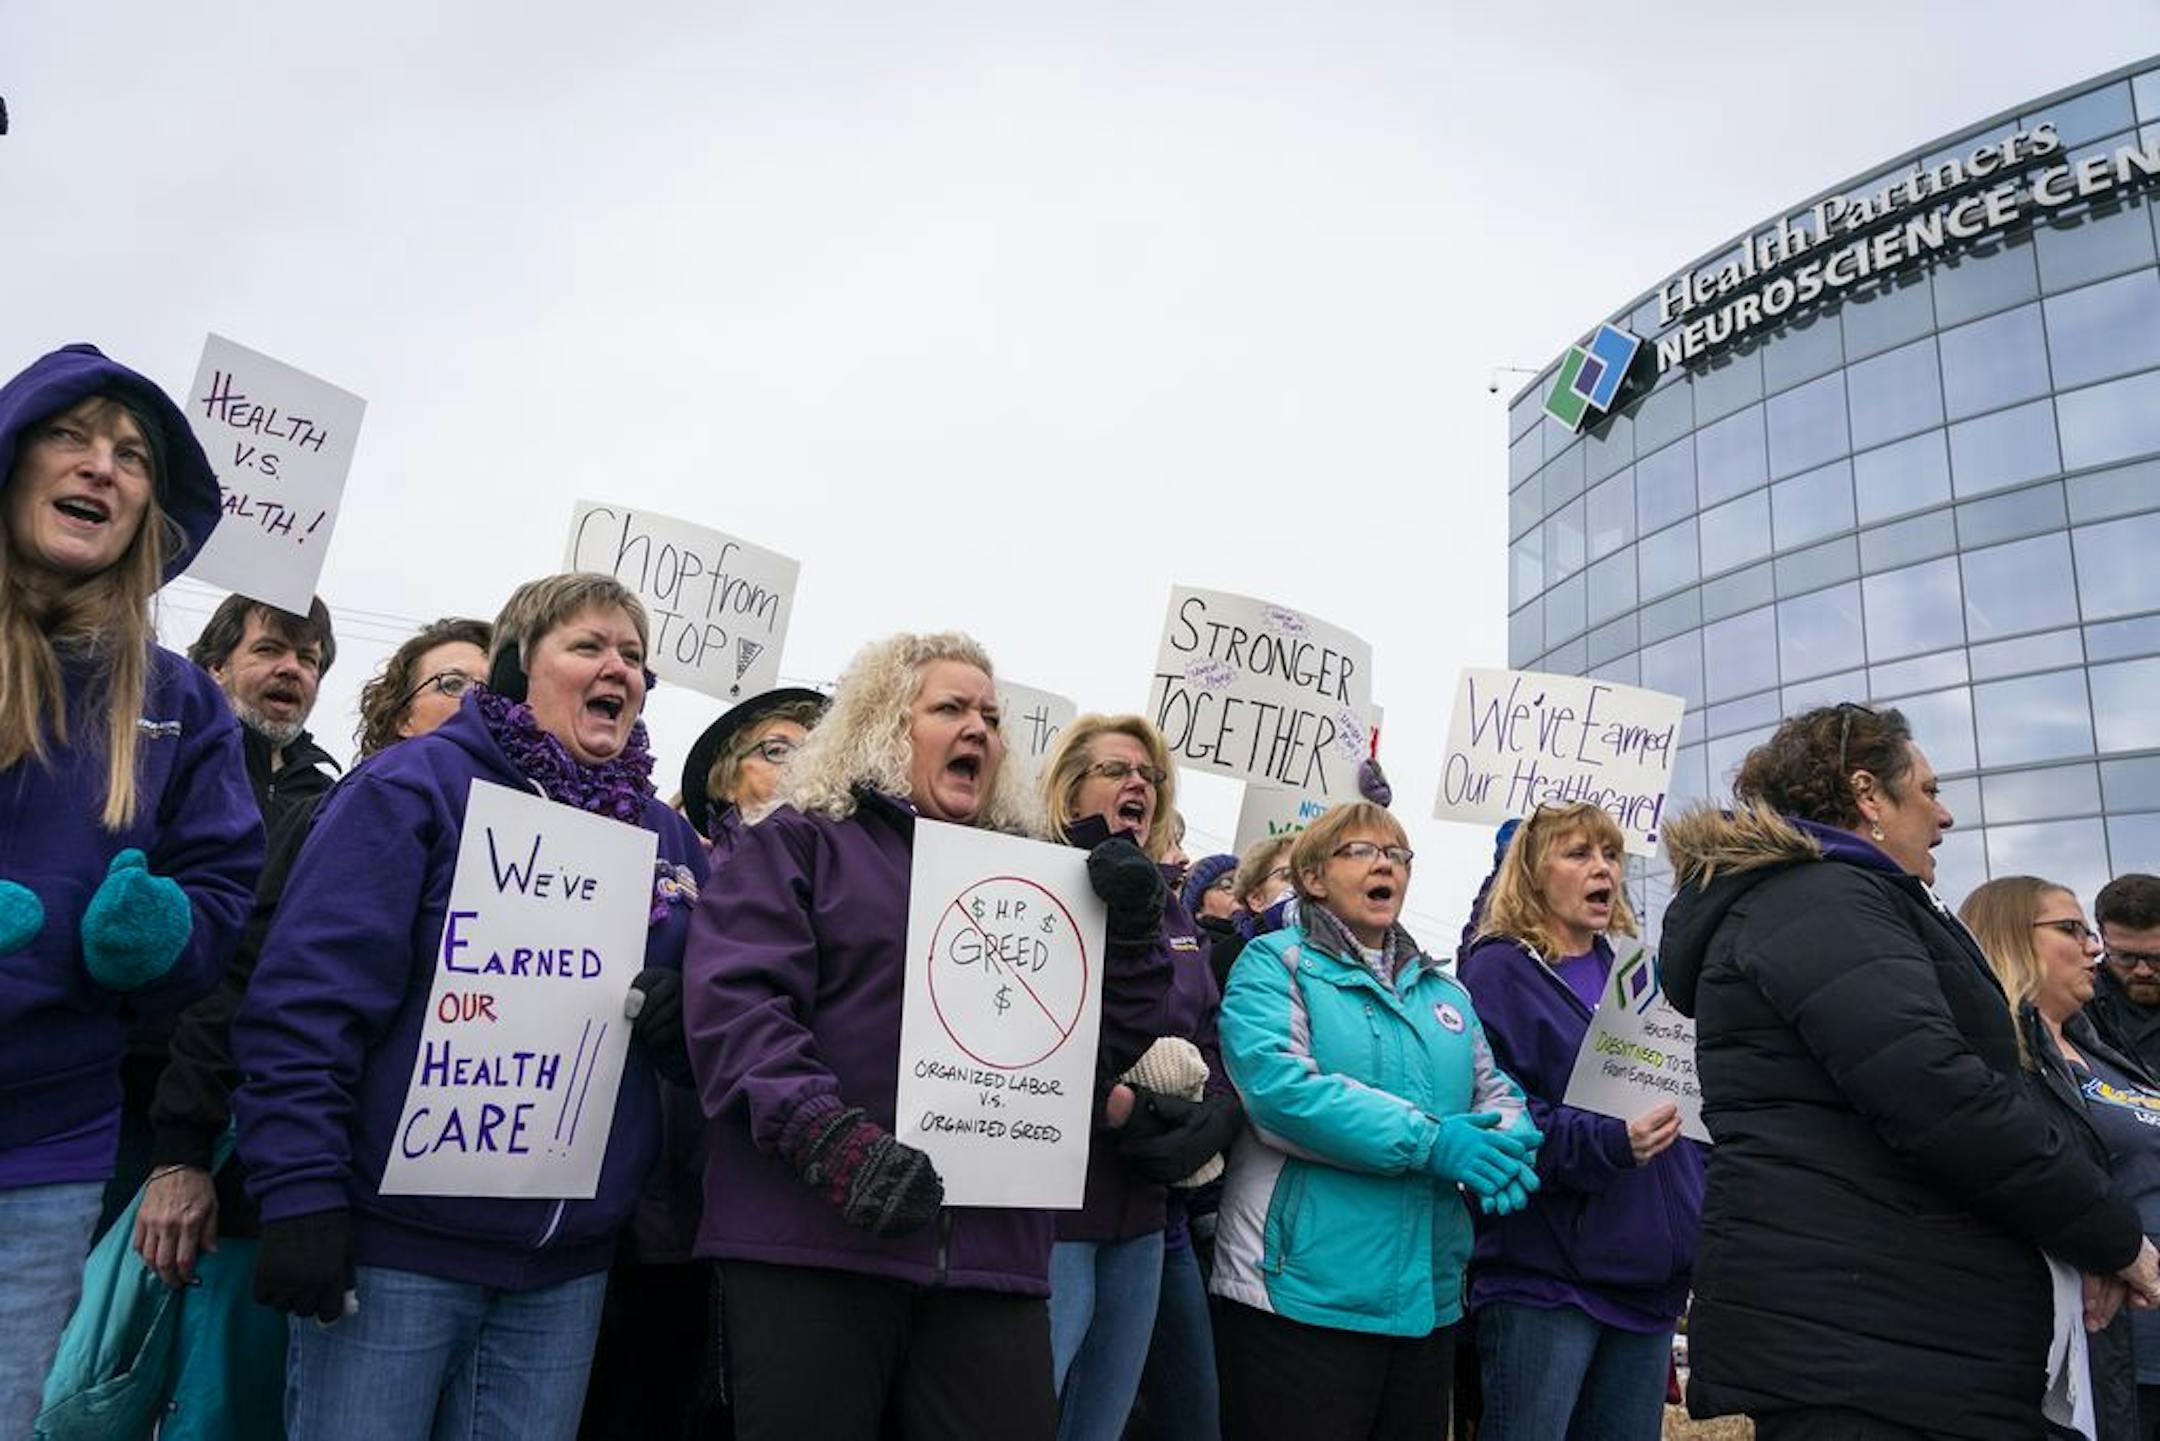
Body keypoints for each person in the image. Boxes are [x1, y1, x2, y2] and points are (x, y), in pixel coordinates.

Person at [233, 575, 707, 1441]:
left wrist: (687, 1028)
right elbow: (308, 999)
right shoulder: (413, 788)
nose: (619, 670)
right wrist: (299, 1193)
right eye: (590, 647)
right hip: (396, 1255)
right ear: (523, 664)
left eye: (634, 657)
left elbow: (708, 1031)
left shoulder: (666, 840)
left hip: (565, 1274)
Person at [683, 632, 1172, 1440]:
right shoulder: (801, 841)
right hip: (816, 1247)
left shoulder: (1030, 877)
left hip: (991, 1259)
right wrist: (829, 1140)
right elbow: (736, 1005)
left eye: (990, 712)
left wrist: (1128, 939)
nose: (978, 725)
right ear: (884, 724)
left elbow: (1092, 1048)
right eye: (950, 707)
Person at [1660, 703, 2160, 1439]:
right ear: (1869, 795)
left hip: (1897, 1338)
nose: (1945, 814)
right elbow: (1937, 1091)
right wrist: (2109, 1233)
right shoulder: (1821, 899)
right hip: (1866, 1349)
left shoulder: (1839, 901)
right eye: (1928, 790)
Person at [131, 616, 490, 1439]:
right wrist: (182, 1152)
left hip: (422, 1232)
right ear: (399, 712)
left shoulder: (530, 854)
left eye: (490, 690)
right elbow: (240, 987)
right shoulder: (341, 814)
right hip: (277, 1194)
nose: (476, 705)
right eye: (451, 686)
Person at [0, 343, 262, 1435]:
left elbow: (220, 888)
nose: (102, 467)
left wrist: (161, 936)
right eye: (74, 436)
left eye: (133, 455)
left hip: (45, 1145)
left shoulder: (182, 701)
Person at [1211, 800, 1540, 1441]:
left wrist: (1506, 1148)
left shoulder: (1446, 994)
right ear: (1312, 876)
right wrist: (1431, 1141)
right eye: (1361, 851)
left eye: (1397, 854)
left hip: (1425, 1297)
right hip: (1303, 1294)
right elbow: (1281, 1091)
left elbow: (1500, 1095)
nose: (1385, 863)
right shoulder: (1275, 963)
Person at [579, 684, 829, 1441]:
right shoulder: (686, 866)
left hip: (792, 1199)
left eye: (812, 751)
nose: (796, 767)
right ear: (723, 779)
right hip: (664, 1194)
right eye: (775, 750)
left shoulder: (856, 883)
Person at [1456, 801, 1704, 1441]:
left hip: (1647, 1285)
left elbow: (1684, 1107)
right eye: (1579, 854)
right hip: (1548, 1281)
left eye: (1611, 855)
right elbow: (1497, 1115)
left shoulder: (1637, 973)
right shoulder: (1501, 970)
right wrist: (1610, 1144)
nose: (1603, 869)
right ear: (1534, 872)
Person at [1042, 716, 1239, 1441]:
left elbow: (1208, 1029)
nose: (1138, 784)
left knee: (1103, 1420)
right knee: (1035, 1406)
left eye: (1150, 776)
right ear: (1070, 790)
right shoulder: (1038, 879)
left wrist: (1213, 1112)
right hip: (1058, 1213)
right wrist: (1112, 1106)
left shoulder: (1170, 901)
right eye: (1118, 769)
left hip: (1149, 1218)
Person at [1964, 875, 2160, 1441]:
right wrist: (2111, 1244)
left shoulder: (2101, 1049)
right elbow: (2027, 1177)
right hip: (2114, 1358)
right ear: (2010, 938)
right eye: (2071, 929)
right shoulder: (1997, 1057)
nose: (2092, 946)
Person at [679, 686, 828, 855]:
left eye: (808, 754)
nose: (798, 763)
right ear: (728, 781)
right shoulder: (703, 875)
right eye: (777, 750)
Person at [2091, 874, 2160, 1078]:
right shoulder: (2073, 1007)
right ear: (2102, 939)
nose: (2143, 970)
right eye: (2126, 957)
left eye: (2156, 958)